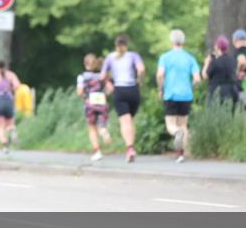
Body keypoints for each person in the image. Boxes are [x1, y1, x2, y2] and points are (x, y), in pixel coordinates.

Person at [157, 29, 202, 163]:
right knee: (183, 125)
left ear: (171, 41)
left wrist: (161, 89)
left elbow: (160, 75)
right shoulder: (190, 58)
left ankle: (177, 135)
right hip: (186, 95)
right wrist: (191, 87)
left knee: (171, 125)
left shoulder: (165, 57)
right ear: (183, 41)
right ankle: (181, 153)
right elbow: (197, 79)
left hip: (170, 94)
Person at [101, 34, 146, 162]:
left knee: (124, 121)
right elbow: (141, 69)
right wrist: (140, 80)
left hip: (119, 90)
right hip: (133, 90)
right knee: (130, 120)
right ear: (126, 45)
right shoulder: (133, 56)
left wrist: (109, 84)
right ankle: (131, 146)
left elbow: (102, 75)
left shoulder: (110, 57)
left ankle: (130, 148)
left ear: (116, 45)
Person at [76, 53, 112, 162]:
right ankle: (104, 131)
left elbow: (79, 92)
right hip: (102, 103)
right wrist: (104, 95)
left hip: (90, 104)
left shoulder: (82, 77)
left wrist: (85, 97)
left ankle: (97, 152)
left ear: (85, 64)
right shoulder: (102, 75)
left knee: (92, 127)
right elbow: (110, 88)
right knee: (101, 125)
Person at [0, 60, 21, 154]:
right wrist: (10, 89)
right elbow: (18, 86)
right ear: (5, 66)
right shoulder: (11, 75)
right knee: (10, 124)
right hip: (9, 101)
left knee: (0, 126)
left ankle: (4, 145)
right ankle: (12, 129)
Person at [203, 35, 239, 110]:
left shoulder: (215, 62)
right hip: (231, 91)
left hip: (216, 91)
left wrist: (207, 63)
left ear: (217, 47)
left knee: (214, 114)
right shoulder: (232, 60)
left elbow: (205, 75)